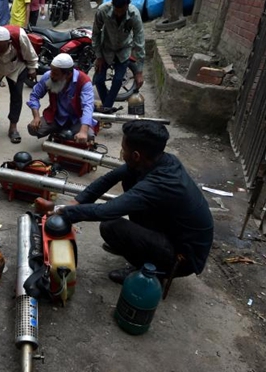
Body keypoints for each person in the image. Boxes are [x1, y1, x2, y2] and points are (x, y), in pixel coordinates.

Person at [43, 120, 214, 285]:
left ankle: (149, 270)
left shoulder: (161, 182)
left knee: (111, 226)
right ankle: (140, 247)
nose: (122, 154)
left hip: (183, 257)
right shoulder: (156, 160)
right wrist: (76, 202)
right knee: (129, 179)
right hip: (174, 232)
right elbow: (109, 179)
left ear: (136, 155)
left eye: (123, 150)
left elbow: (107, 211)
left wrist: (63, 212)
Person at [0, 26, 37, 143]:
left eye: (1, 50)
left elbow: (30, 53)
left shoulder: (19, 36)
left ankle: (13, 127)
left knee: (16, 95)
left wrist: (32, 68)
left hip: (16, 66)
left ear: (9, 43)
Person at [92, 0, 145, 112]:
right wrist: (99, 56)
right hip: (106, 49)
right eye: (116, 10)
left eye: (122, 10)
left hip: (124, 49)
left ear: (127, 5)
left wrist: (139, 72)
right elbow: (95, 34)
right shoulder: (102, 11)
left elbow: (140, 41)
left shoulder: (134, 14)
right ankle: (107, 108)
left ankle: (106, 110)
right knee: (98, 80)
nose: (119, 13)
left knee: (117, 80)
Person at [27, 53, 96, 144]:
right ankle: (61, 132)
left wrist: (83, 131)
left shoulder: (84, 81)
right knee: (33, 129)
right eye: (51, 71)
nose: (51, 75)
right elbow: (35, 95)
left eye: (55, 73)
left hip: (76, 119)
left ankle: (63, 132)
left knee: (89, 136)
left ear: (68, 75)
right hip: (57, 117)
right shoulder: (48, 76)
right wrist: (36, 117)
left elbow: (88, 106)